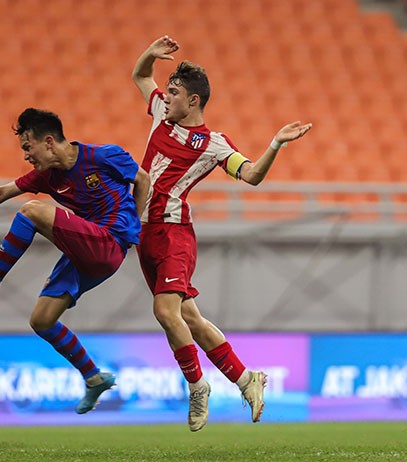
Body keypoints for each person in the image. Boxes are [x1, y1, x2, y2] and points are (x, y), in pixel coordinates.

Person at [131, 35, 312, 431]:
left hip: (175, 232)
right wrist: (150, 53)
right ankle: (248, 379)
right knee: (189, 318)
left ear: (193, 101)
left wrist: (275, 145)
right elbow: (140, 74)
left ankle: (197, 387)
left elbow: (251, 176)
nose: (166, 96)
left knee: (164, 311)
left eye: (175, 92)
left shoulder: (213, 145)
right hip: (143, 232)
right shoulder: (161, 112)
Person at [0, 107, 151, 414]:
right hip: (84, 249)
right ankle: (94, 378)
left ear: (48, 141)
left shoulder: (103, 156)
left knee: (32, 210)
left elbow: (142, 179)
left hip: (109, 243)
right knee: (41, 320)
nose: (27, 156)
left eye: (27, 147)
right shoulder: (48, 177)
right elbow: (0, 193)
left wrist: (134, 227)